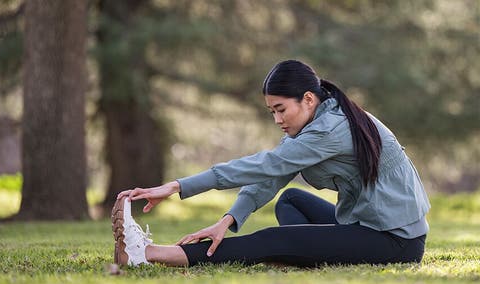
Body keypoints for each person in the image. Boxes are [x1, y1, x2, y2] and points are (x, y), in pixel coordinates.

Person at [111, 60, 431, 267]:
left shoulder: (329, 130)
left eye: (281, 109)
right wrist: (227, 221)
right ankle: (315, 254)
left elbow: (265, 165)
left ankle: (149, 254)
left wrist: (176, 186)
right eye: (271, 112)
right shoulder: (318, 118)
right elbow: (273, 177)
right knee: (290, 200)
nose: (277, 119)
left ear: (308, 99)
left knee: (271, 239)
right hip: (364, 223)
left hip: (396, 239)